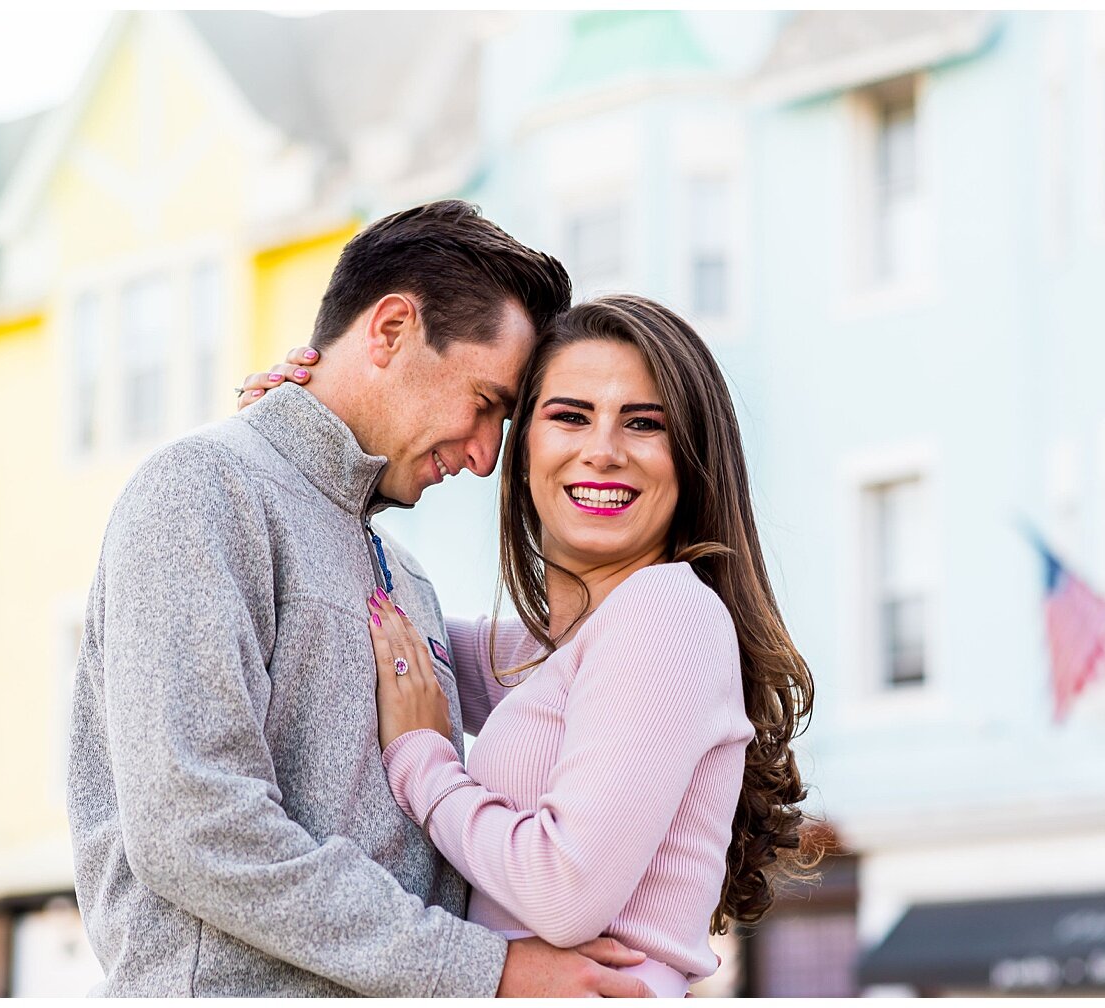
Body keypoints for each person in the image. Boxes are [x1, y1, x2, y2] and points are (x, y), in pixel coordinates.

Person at [66, 200, 658, 997]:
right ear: (389, 331)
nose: (487, 458)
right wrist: (490, 971)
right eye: (486, 403)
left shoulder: (400, 575)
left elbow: (568, 657)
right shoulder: (202, 490)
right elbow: (194, 828)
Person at [241, 295, 815, 996]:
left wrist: (423, 762)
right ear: (523, 451)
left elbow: (564, 891)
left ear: (691, 459)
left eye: (644, 423)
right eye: (570, 416)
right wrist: (298, 450)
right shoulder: (561, 650)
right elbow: (372, 633)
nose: (602, 449)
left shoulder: (667, 612)